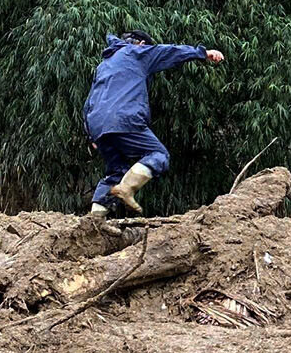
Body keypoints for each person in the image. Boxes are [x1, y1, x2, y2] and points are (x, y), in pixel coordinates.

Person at [83, 28, 224, 215]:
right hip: (124, 118)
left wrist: (90, 134)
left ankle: (94, 222)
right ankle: (127, 189)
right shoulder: (137, 52)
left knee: (115, 172)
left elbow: (89, 101)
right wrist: (202, 53)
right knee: (158, 155)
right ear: (142, 44)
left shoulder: (104, 65)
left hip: (98, 125)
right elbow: (169, 52)